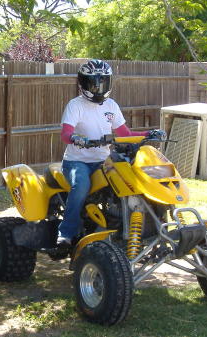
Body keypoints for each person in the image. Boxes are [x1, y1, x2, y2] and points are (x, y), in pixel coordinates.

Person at [57, 59, 165, 246]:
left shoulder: (111, 106)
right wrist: (76, 138)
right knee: (80, 186)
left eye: (103, 82)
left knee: (128, 184)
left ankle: (129, 229)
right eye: (94, 82)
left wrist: (149, 134)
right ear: (83, 83)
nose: (98, 87)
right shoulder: (75, 105)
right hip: (77, 161)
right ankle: (66, 233)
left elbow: (125, 134)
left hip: (104, 161)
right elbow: (66, 133)